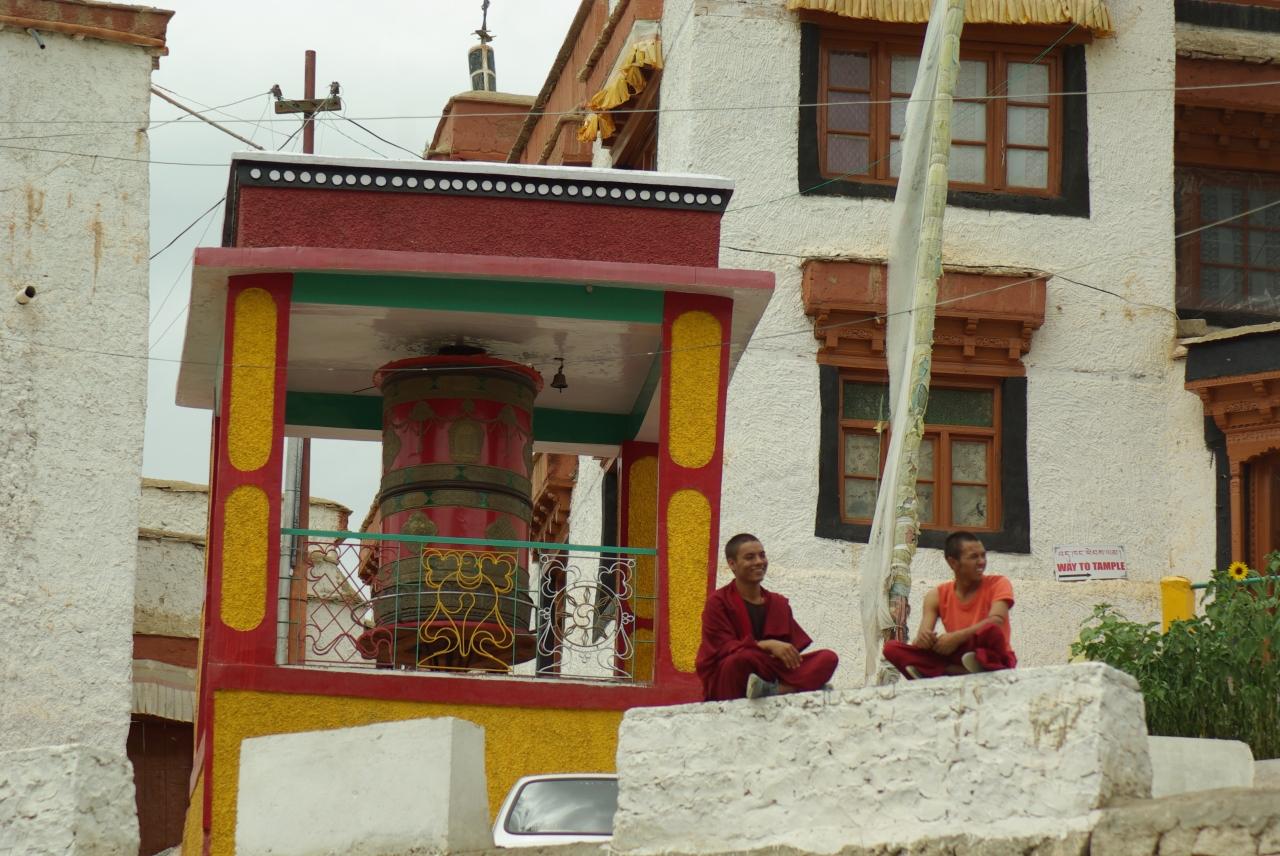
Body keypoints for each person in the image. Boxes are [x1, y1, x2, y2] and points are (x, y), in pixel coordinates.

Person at [695, 533, 839, 700]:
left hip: (769, 670)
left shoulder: (777, 603)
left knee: (827, 658)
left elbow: (790, 653)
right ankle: (797, 688)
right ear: (732, 564)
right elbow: (722, 648)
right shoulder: (718, 602)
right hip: (734, 672)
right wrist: (766, 645)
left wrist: (784, 652)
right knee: (741, 659)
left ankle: (774, 690)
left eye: (762, 555)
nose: (759, 562)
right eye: (750, 557)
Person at [883, 531, 1017, 679]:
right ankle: (958, 670)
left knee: (991, 630)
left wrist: (955, 638)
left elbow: (997, 621)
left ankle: (937, 671)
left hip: (990, 653)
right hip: (958, 655)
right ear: (953, 562)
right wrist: (924, 640)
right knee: (891, 648)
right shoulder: (936, 595)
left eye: (983, 556)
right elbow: (921, 638)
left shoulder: (999, 583)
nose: (981, 562)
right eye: (974, 557)